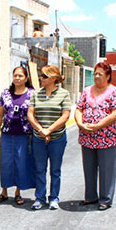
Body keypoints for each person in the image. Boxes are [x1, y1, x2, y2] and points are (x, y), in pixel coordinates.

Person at [75, 62, 116, 211]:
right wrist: (80, 123)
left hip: (107, 138)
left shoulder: (114, 91)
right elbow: (79, 109)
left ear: (108, 76)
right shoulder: (86, 91)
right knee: (89, 167)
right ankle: (90, 196)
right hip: (87, 137)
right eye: (95, 73)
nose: (96, 76)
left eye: (100, 74)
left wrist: (97, 126)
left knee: (107, 169)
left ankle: (105, 199)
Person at [27, 65, 71, 210]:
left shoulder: (64, 94)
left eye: (45, 76)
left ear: (53, 78)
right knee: (40, 169)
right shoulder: (36, 94)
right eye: (41, 75)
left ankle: (54, 198)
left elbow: (65, 116)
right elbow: (30, 114)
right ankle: (40, 198)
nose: (41, 78)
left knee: (55, 170)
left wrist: (49, 130)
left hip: (57, 138)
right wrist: (41, 130)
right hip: (38, 138)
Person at [0, 66, 35, 205]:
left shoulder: (32, 94)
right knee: (5, 163)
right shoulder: (5, 93)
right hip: (7, 134)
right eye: (15, 75)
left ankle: (18, 192)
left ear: (26, 78)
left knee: (20, 163)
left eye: (20, 76)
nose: (17, 78)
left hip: (24, 135)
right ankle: (4, 192)